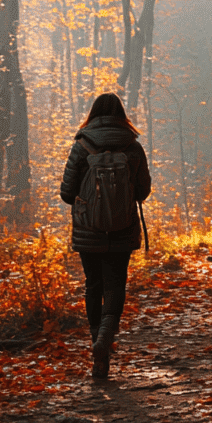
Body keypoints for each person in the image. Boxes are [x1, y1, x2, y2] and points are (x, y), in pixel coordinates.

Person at [59, 93, 152, 379]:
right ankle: (105, 339)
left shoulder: (82, 145)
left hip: (88, 229)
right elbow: (143, 191)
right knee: (115, 284)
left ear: (93, 115)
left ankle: (96, 347)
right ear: (121, 115)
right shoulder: (133, 146)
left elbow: (66, 193)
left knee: (93, 285)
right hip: (123, 228)